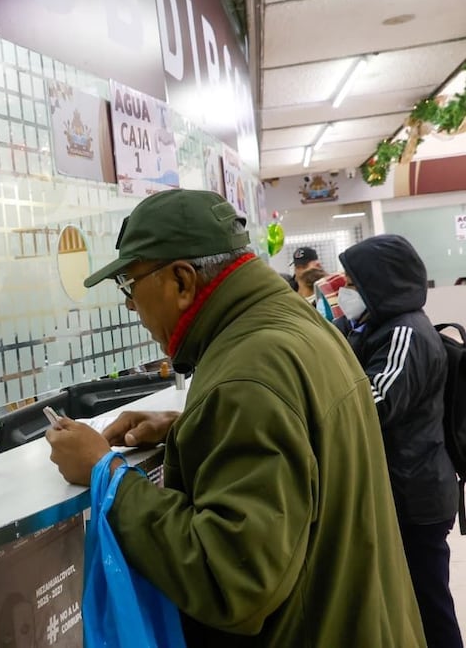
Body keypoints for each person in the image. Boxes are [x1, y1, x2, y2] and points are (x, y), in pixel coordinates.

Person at [44, 189, 425, 646]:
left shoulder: (245, 374)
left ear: (183, 281)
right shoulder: (297, 327)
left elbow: (231, 579)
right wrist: (188, 428)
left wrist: (108, 475)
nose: (132, 307)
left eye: (130, 285)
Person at [338, 234, 463, 648]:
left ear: (379, 283)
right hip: (404, 487)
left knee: (429, 604)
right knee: (410, 601)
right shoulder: (377, 327)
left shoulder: (406, 333)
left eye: (352, 282)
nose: (345, 291)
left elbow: (375, 402)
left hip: (417, 495)